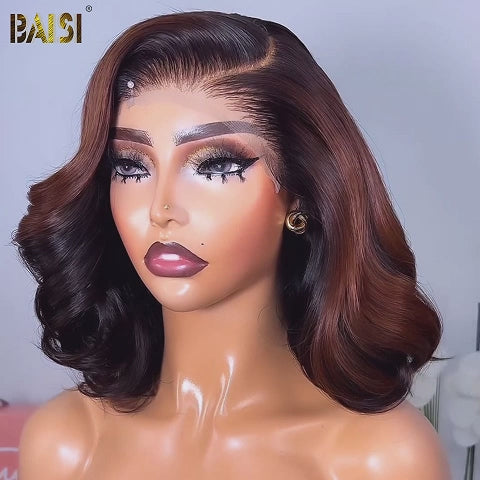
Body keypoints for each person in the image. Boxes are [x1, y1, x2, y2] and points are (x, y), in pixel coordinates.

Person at [13, 10, 451, 479]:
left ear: (300, 192)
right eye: (131, 167)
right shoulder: (66, 445)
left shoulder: (379, 459)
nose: (161, 209)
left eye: (216, 166)